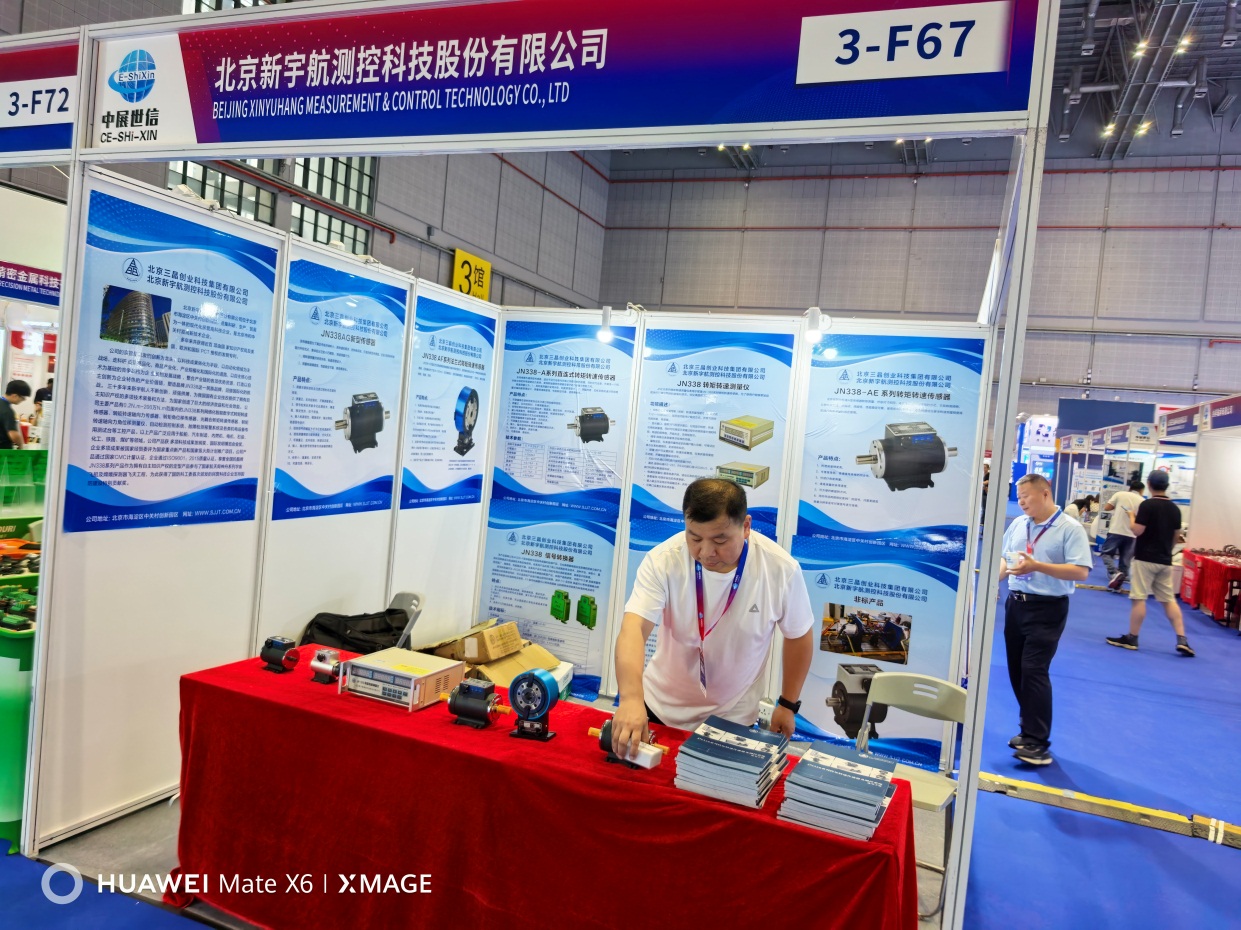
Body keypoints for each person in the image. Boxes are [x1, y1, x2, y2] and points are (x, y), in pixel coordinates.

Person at [612, 477, 814, 758]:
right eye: (694, 538)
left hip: (733, 718)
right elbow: (633, 628)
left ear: (746, 526)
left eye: (720, 540)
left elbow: (799, 635)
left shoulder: (779, 569)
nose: (706, 552)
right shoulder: (663, 560)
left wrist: (788, 704)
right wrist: (631, 699)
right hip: (659, 707)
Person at [998, 473, 1093, 766]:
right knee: (1017, 670)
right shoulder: (1018, 524)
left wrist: (1037, 566)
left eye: (1026, 496)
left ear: (1045, 493)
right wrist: (990, 580)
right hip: (1015, 605)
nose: (1022, 502)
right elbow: (1004, 558)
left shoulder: (1069, 528)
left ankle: (1038, 743)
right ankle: (1028, 730)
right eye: (1019, 496)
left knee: (1033, 669)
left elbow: (1081, 571)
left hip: (1047, 609)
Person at [1106, 470, 1194, 657]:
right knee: (1168, 600)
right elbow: (1176, 536)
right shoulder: (1175, 509)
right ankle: (1182, 639)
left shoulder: (1147, 505)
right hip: (1165, 560)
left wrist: (1131, 516)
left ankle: (1132, 637)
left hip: (1144, 559)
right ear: (1167, 485)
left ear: (1149, 484)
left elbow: (1137, 531)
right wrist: (1166, 551)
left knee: (1139, 598)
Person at [1101, 480, 1145, 590]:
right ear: (1141, 490)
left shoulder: (1119, 494)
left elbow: (1107, 508)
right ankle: (1120, 581)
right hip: (1132, 534)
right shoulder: (1143, 501)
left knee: (1106, 553)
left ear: (1130, 488)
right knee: (1125, 559)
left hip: (1116, 530)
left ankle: (1114, 573)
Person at [0, 380, 30, 449]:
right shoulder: (7, 411)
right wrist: (20, 445)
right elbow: (13, 434)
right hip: (3, 450)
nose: (22, 400)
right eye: (23, 398)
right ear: (15, 396)